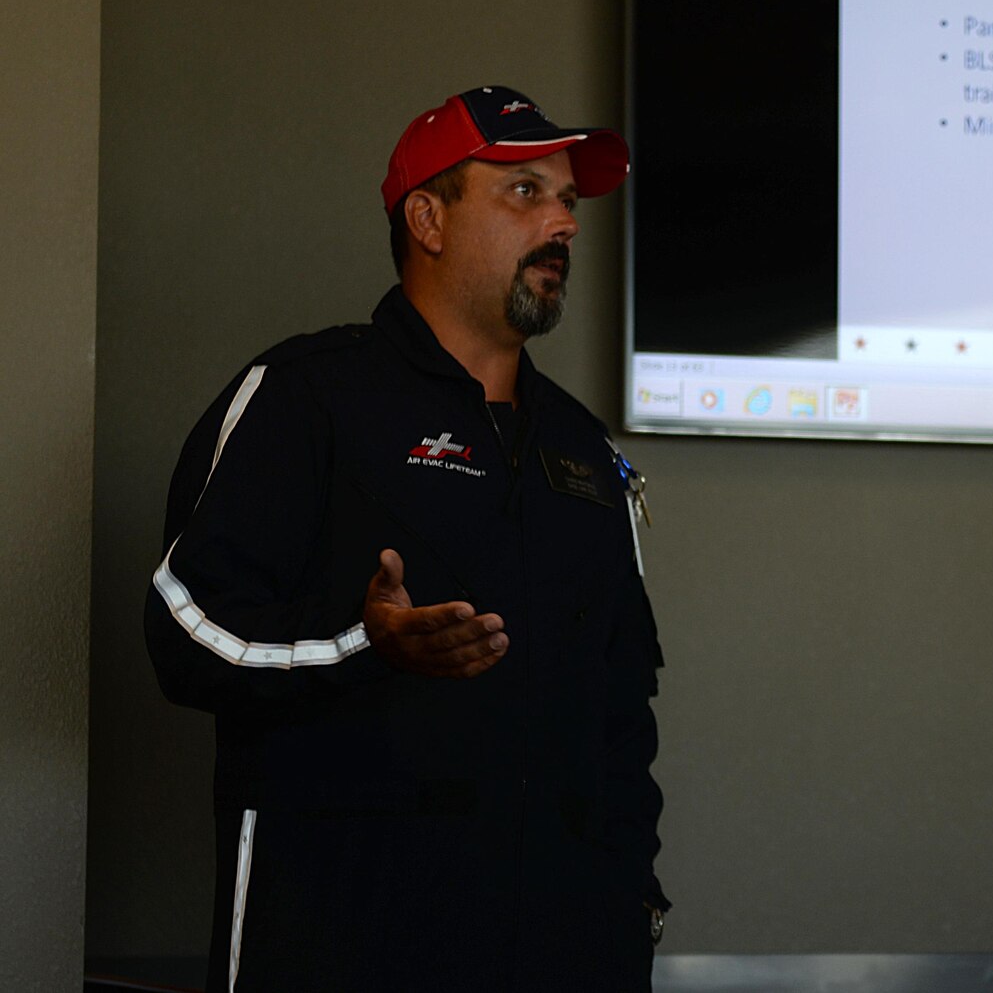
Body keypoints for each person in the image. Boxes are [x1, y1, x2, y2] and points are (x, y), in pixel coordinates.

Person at [145, 86, 668, 993]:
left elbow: (625, 720)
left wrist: (632, 903)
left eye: (568, 203)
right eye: (524, 193)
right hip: (347, 948)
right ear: (427, 217)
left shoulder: (586, 453)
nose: (563, 225)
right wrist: (363, 640)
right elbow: (183, 627)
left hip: (568, 952)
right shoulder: (307, 396)